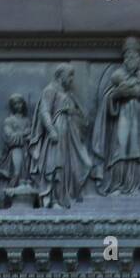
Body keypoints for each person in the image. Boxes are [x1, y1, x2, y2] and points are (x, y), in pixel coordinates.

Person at [91, 36, 140, 194]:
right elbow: (107, 99)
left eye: (133, 55)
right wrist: (116, 95)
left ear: (138, 57)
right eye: (127, 56)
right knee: (121, 147)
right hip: (122, 115)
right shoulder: (117, 75)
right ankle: (118, 185)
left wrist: (138, 92)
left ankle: (139, 186)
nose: (130, 58)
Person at [29, 63, 95, 208]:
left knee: (70, 165)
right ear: (60, 76)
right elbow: (44, 111)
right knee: (55, 164)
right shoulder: (50, 90)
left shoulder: (68, 94)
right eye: (69, 75)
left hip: (70, 135)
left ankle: (66, 197)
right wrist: (51, 130)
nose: (72, 79)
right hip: (57, 132)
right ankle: (52, 200)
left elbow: (81, 114)